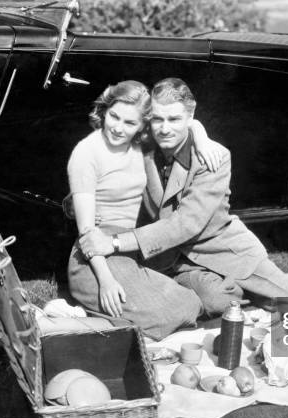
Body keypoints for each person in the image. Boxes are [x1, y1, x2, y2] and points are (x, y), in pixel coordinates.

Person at [79, 78, 288, 317]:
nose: (164, 128)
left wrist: (114, 242)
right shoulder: (144, 148)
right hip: (175, 258)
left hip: (224, 250)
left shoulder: (213, 158)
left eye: (175, 119)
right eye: (157, 119)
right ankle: (243, 293)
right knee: (217, 303)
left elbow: (185, 224)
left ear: (190, 117)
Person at [66, 80, 222, 339]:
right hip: (94, 257)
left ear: (142, 126)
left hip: (126, 248)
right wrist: (106, 281)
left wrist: (202, 138)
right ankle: (88, 308)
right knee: (170, 314)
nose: (117, 128)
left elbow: (181, 118)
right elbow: (87, 233)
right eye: (113, 116)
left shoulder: (139, 147)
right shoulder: (85, 153)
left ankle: (135, 300)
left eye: (129, 123)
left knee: (195, 303)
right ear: (104, 111)